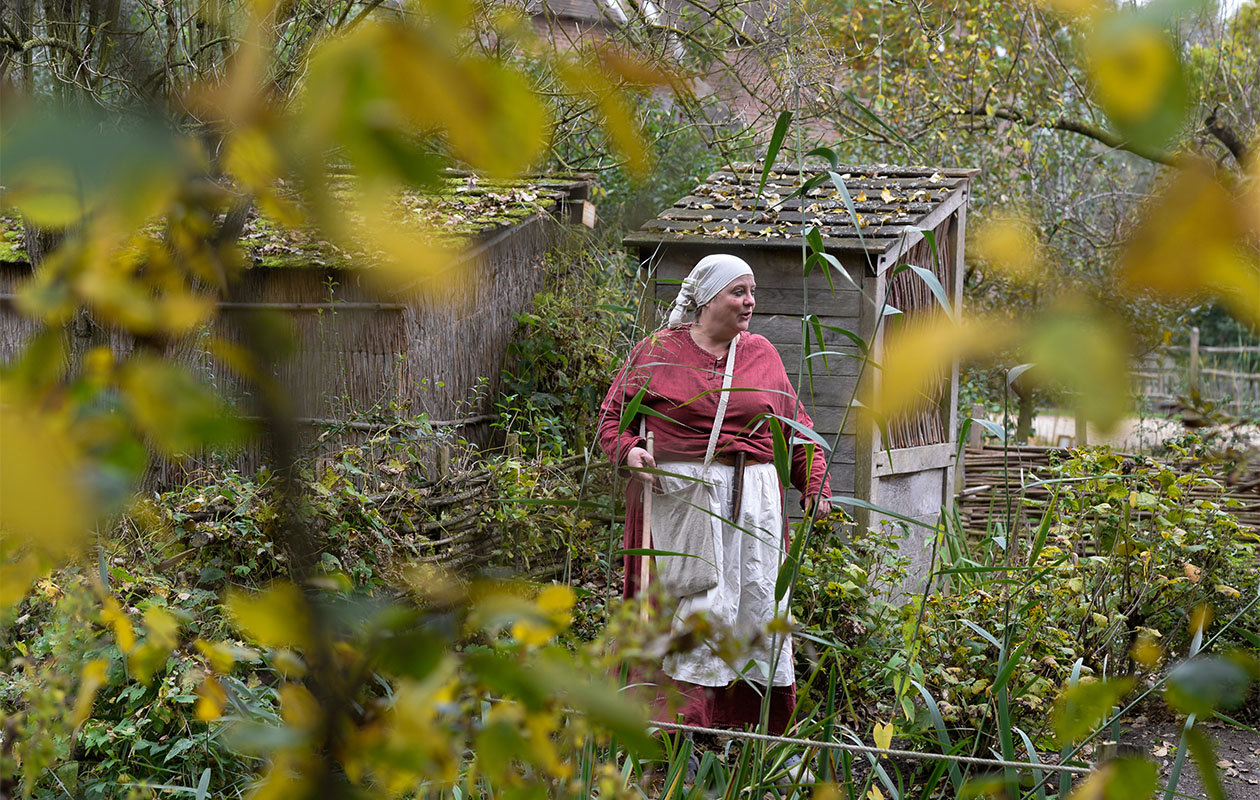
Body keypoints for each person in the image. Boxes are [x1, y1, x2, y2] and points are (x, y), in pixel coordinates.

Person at [598, 252, 832, 735]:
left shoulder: (762, 353)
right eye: (738, 292)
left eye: (752, 293)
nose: (750, 302)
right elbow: (611, 417)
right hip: (681, 504)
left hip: (755, 507)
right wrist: (627, 450)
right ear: (707, 299)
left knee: (754, 609)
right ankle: (670, 731)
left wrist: (814, 483)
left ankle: (748, 733)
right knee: (690, 613)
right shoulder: (656, 350)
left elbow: (796, 428)